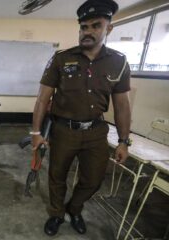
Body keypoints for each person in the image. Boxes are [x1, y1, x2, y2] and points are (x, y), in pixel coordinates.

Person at [31, 0, 132, 236]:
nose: (88, 31)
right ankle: (57, 214)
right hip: (63, 131)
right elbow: (42, 99)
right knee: (57, 177)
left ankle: (74, 208)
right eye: (84, 27)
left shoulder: (119, 61)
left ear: (108, 29)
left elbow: (122, 105)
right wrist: (35, 133)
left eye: (96, 26)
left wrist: (124, 141)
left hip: (96, 132)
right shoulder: (61, 58)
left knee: (94, 179)